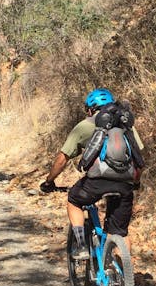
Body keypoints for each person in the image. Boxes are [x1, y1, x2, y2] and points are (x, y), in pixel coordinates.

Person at [40, 88, 145, 259]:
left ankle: (81, 246)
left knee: (74, 200)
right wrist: (135, 182)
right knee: (120, 233)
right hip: (124, 183)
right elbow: (138, 159)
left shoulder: (84, 126)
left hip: (96, 183)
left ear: (90, 109)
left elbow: (62, 159)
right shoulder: (126, 125)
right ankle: (124, 277)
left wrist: (49, 181)